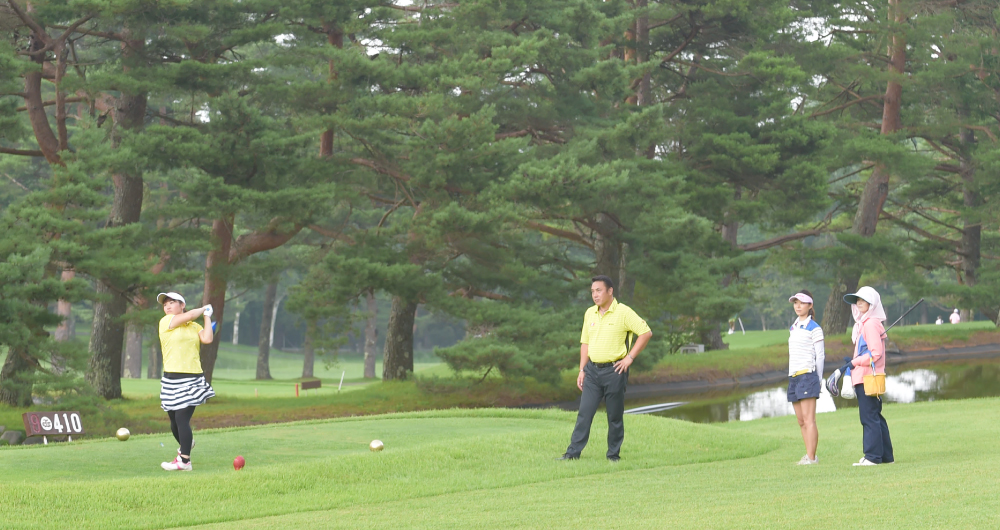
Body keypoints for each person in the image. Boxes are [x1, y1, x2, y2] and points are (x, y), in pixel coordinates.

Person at [559, 275, 652, 462]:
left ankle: (613, 455)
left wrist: (629, 358)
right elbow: (585, 343)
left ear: (610, 291)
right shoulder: (589, 313)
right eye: (592, 291)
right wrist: (581, 369)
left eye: (599, 290)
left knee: (614, 416)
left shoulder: (624, 312)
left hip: (615, 371)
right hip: (592, 371)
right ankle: (572, 454)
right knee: (584, 413)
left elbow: (645, 332)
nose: (595, 295)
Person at [156, 291, 216, 471]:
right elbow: (189, 314)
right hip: (170, 380)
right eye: (165, 303)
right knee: (174, 422)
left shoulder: (194, 326)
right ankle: (187, 444)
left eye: (172, 302)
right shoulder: (165, 321)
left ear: (182, 305)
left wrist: (206, 316)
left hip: (192, 379)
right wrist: (203, 308)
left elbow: (207, 338)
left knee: (182, 418)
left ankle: (184, 460)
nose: (167, 306)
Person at [842, 286, 894, 466]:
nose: (859, 303)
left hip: (867, 377)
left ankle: (872, 457)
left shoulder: (871, 324)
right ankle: (886, 457)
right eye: (857, 300)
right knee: (875, 416)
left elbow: (875, 353)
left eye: (863, 300)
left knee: (869, 417)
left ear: (872, 304)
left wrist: (855, 362)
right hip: (867, 376)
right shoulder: (865, 324)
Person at [787, 290, 824, 465]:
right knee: (801, 421)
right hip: (793, 377)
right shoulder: (793, 327)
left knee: (809, 420)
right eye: (795, 303)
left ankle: (811, 457)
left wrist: (819, 379)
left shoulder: (814, 328)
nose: (798, 306)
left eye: (801, 302)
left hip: (808, 376)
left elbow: (820, 356)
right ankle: (808, 455)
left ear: (810, 305)